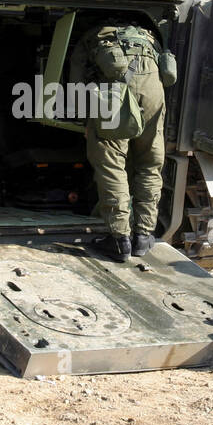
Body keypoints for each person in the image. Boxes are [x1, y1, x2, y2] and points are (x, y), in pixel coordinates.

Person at [80, 22, 167, 262]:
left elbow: (76, 78)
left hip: (116, 95)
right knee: (150, 163)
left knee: (111, 163)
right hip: (154, 94)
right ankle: (143, 235)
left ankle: (119, 240)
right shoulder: (148, 38)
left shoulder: (93, 38)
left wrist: (86, 121)